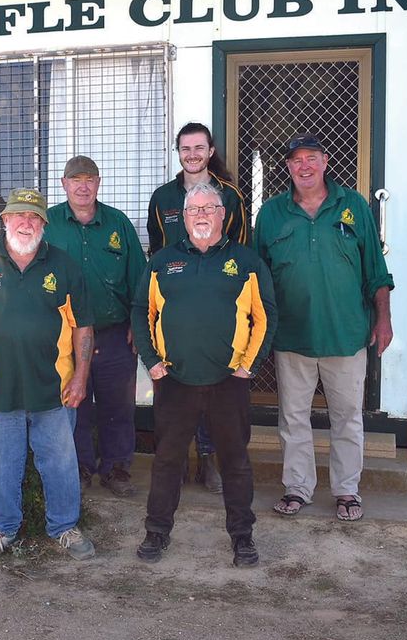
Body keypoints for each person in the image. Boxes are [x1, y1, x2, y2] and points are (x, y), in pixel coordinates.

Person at [132, 183, 276, 567]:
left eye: (209, 208)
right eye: (193, 209)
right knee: (167, 461)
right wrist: (153, 363)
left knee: (235, 462)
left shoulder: (245, 261)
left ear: (222, 214)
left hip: (227, 382)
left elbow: (265, 316)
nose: (200, 215)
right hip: (175, 382)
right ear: (184, 215)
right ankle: (156, 533)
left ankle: (242, 537)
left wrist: (250, 365)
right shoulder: (163, 262)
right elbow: (140, 312)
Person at [254, 134, 394, 522]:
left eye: (311, 158)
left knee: (347, 416)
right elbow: (258, 279)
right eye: (296, 160)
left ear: (326, 161)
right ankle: (297, 487)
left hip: (346, 334)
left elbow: (375, 270)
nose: (304, 166)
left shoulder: (353, 206)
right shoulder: (271, 214)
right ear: (287, 167)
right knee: (293, 416)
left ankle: (347, 490)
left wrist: (383, 318)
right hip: (292, 337)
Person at [0, 188, 96, 561]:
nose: (26, 223)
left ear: (44, 224)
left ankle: (64, 526)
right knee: (2, 463)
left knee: (61, 462)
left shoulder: (63, 265)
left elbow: (83, 328)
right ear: (5, 220)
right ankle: (3, 527)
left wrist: (81, 377)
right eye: (19, 216)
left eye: (34, 217)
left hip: (56, 389)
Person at [147, 122, 249, 493]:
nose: (192, 154)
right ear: (179, 153)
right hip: (172, 313)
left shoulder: (231, 196)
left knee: (213, 386)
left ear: (210, 152)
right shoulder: (162, 198)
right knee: (172, 389)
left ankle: (209, 460)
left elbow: (241, 254)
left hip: (219, 312)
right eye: (185, 148)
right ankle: (173, 462)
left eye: (199, 148)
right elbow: (155, 253)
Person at [43, 156, 146, 496]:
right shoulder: (50, 224)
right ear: (64, 184)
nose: (83, 186)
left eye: (89, 179)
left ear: (98, 183)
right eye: (76, 180)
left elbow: (139, 278)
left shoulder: (118, 223)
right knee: (75, 402)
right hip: (64, 336)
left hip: (115, 331)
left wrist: (137, 320)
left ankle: (116, 469)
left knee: (118, 405)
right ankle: (81, 467)